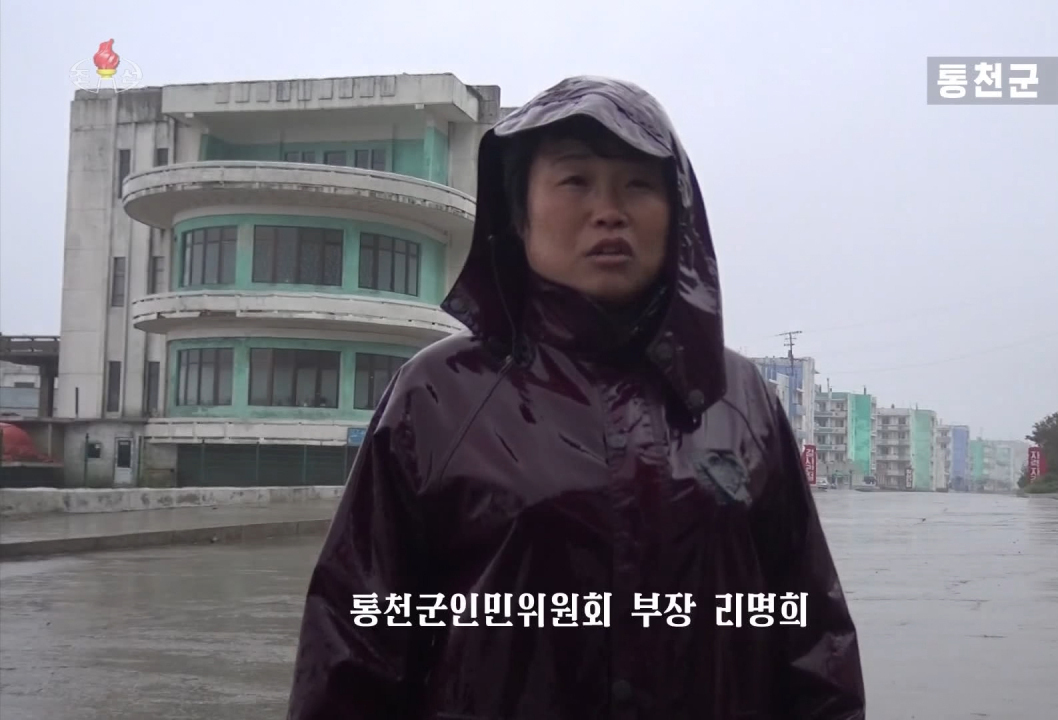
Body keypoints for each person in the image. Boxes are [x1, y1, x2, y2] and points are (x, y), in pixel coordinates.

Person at [286, 76, 866, 719]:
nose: (609, 211)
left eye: (638, 185)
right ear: (518, 210)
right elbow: (353, 646)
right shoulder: (440, 397)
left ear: (677, 213)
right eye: (575, 182)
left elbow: (813, 638)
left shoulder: (739, 401)